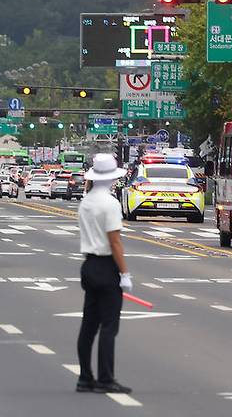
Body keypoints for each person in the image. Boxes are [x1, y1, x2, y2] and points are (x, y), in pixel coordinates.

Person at [76, 154, 133, 394]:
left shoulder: (86, 201)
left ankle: (85, 377)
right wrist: (124, 273)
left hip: (88, 265)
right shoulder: (110, 203)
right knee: (109, 326)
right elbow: (115, 242)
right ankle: (105, 379)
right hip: (106, 266)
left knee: (89, 324)